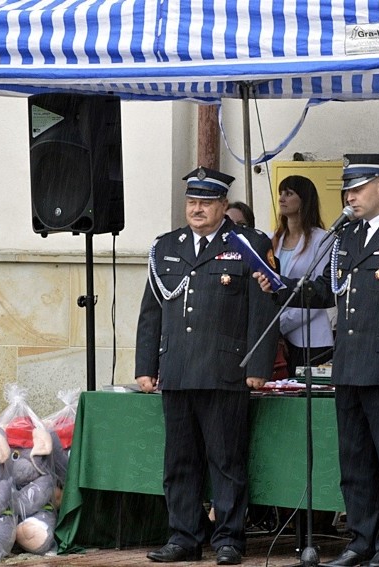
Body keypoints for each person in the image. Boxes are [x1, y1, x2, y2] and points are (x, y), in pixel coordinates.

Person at [256, 153, 379, 567]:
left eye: (357, 189)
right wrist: (279, 287)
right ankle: (360, 539)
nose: (349, 198)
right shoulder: (346, 237)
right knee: (354, 459)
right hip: (349, 364)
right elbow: (324, 290)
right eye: (347, 191)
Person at [135, 166, 279, 564]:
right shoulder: (166, 246)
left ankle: (230, 538)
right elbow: (151, 312)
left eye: (206, 202)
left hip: (226, 370)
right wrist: (146, 365)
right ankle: (183, 536)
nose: (197, 209)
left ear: (223, 206)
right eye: (191, 202)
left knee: (226, 460)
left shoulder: (250, 244)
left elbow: (263, 310)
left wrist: (258, 366)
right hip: (178, 369)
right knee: (179, 460)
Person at [272, 175, 335, 373]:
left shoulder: (322, 239)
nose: (282, 198)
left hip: (310, 339)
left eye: (289, 194)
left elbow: (319, 293)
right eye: (281, 193)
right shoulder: (273, 238)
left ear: (304, 200)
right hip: (277, 337)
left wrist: (280, 325)